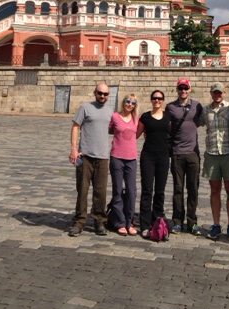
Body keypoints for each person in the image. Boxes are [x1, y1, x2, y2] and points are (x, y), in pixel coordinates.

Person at [68, 82, 113, 237]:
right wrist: (74, 149)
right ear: (95, 92)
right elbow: (75, 127)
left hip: (102, 157)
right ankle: (79, 222)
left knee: (100, 192)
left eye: (105, 94)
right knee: (82, 190)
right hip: (85, 156)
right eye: (100, 93)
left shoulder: (110, 112)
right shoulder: (85, 108)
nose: (102, 96)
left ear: (109, 95)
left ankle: (99, 221)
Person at [199, 82, 229, 241]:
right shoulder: (205, 110)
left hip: (228, 153)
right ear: (211, 93)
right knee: (215, 189)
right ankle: (216, 224)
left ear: (225, 93)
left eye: (220, 92)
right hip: (212, 153)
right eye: (215, 92)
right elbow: (192, 123)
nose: (217, 95)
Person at [167, 78, 203, 235]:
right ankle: (177, 221)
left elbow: (205, 120)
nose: (183, 90)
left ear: (190, 89)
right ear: (177, 89)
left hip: (193, 153)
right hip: (177, 154)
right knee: (177, 189)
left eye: (185, 88)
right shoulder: (170, 107)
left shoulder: (197, 106)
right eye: (180, 88)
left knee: (193, 189)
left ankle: (192, 222)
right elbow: (166, 127)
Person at [136, 90, 171, 238]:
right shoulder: (145, 117)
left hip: (163, 156)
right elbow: (135, 134)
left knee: (160, 191)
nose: (157, 100)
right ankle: (144, 224)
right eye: (155, 98)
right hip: (148, 156)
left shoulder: (168, 117)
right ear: (151, 100)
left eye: (160, 98)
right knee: (147, 190)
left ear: (163, 100)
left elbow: (172, 134)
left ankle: (157, 219)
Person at [108, 93, 139, 236]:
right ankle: (119, 222)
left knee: (132, 191)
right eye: (128, 101)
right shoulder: (115, 116)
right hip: (117, 157)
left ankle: (129, 221)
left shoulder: (136, 119)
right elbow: (109, 130)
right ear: (123, 102)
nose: (130, 104)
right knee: (118, 190)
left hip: (131, 158)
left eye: (133, 103)